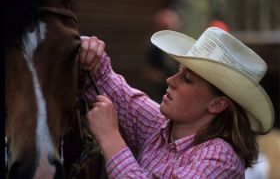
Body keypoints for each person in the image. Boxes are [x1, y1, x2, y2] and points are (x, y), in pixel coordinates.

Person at [78, 27, 275, 178]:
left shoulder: (221, 159)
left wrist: (110, 138)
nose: (170, 80)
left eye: (187, 79)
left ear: (217, 104)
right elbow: (109, 83)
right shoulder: (159, 126)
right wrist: (90, 50)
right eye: (178, 71)